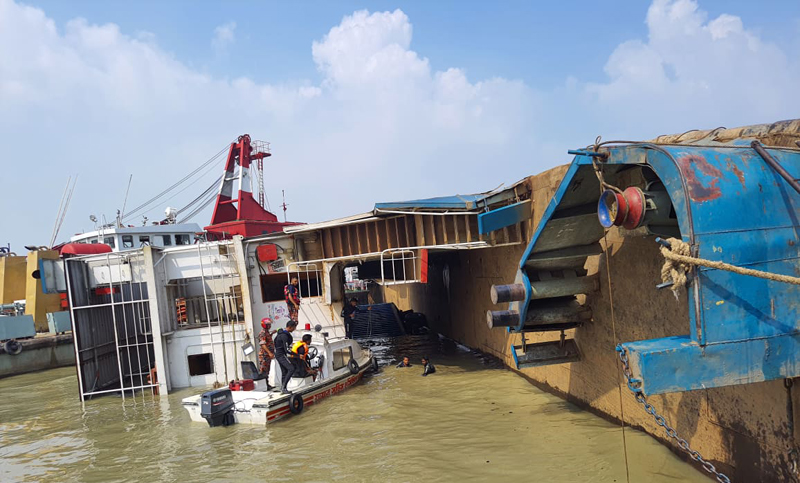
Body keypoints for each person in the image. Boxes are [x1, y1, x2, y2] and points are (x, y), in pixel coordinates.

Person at [274, 321, 297, 394]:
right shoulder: (284, 336)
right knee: (291, 369)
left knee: (284, 372)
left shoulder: (281, 334)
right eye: (294, 327)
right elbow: (287, 349)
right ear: (290, 327)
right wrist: (298, 355)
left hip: (278, 354)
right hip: (281, 355)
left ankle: (283, 388)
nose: (294, 329)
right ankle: (283, 387)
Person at [258, 317, 275, 381]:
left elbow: (268, 340)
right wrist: (269, 353)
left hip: (267, 355)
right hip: (264, 355)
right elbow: (263, 344)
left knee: (267, 370)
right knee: (264, 370)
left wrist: (272, 333)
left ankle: (267, 384)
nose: (270, 326)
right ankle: (264, 384)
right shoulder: (262, 333)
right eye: (268, 325)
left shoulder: (267, 332)